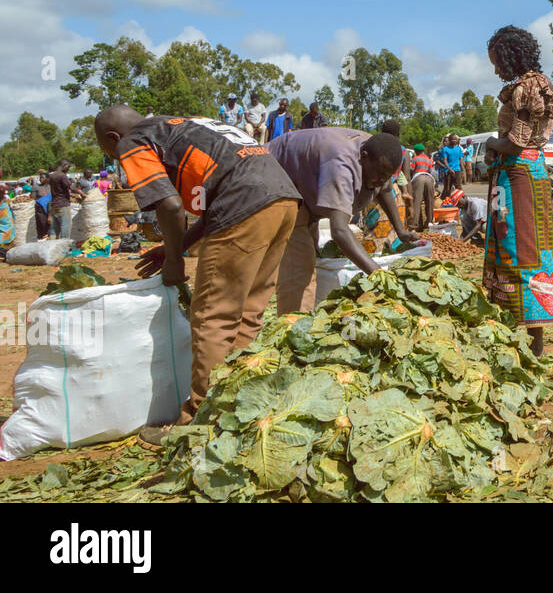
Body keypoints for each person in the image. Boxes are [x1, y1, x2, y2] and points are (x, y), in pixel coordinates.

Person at [94, 106, 301, 437]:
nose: (116, 156)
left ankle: (201, 421)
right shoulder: (185, 124)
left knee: (213, 316)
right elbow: (209, 200)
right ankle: (241, 409)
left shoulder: (133, 141)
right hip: (283, 197)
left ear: (112, 138)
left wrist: (176, 260)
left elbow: (170, 205)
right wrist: (173, 246)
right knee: (248, 312)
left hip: (244, 200)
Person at [269, 128, 415, 314]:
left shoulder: (380, 157)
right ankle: (292, 325)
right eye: (379, 174)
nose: (381, 180)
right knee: (300, 267)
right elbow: (338, 230)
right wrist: (378, 273)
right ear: (364, 156)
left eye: (387, 176)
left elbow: (385, 189)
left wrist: (400, 231)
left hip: (306, 185)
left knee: (311, 255)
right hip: (279, 180)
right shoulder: (340, 165)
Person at [481, 25, 553, 356]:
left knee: (519, 254)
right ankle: (518, 339)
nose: (496, 69)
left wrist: (490, 142)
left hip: (517, 179)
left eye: (497, 61)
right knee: (529, 252)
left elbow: (515, 142)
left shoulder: (526, 88)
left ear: (510, 55)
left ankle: (530, 344)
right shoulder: (540, 83)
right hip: (529, 174)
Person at [47, 159, 76, 239]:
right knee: (65, 227)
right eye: (68, 167)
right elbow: (71, 188)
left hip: (54, 205)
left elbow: (60, 189)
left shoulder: (51, 176)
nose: (68, 169)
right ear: (64, 165)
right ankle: (64, 247)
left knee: (54, 228)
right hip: (63, 204)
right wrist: (81, 194)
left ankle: (52, 246)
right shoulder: (62, 175)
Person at [409, 144, 436, 230]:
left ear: (416, 151)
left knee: (417, 201)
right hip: (429, 178)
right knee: (430, 200)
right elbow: (432, 171)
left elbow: (411, 170)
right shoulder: (429, 160)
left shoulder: (415, 159)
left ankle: (415, 223)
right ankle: (429, 222)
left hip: (418, 178)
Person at [440, 133, 465, 199]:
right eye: (453, 139)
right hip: (448, 171)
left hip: (457, 170)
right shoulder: (445, 149)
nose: (454, 141)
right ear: (449, 140)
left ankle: (461, 200)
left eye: (455, 139)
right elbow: (445, 160)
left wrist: (463, 170)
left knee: (459, 187)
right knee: (447, 188)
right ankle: (445, 202)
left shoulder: (459, 149)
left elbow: (461, 160)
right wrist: (450, 169)